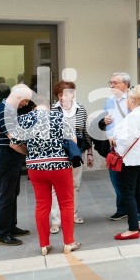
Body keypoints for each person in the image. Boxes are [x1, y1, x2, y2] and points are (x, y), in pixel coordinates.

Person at [9, 94, 81, 256]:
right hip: (60, 166)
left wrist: (30, 153)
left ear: (34, 107)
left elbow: (13, 144)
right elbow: (73, 141)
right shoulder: (59, 117)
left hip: (36, 168)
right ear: (48, 106)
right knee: (66, 203)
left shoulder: (25, 119)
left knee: (42, 205)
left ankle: (44, 245)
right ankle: (69, 242)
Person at [49, 81, 93, 234]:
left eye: (66, 93)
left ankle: (73, 214)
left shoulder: (81, 110)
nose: (63, 97)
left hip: (76, 152)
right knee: (56, 188)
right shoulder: (52, 110)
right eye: (60, 94)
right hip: (58, 153)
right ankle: (56, 220)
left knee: (75, 184)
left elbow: (86, 133)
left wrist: (89, 153)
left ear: (73, 93)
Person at [0, 84, 34, 246]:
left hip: (11, 157)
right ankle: (3, 234)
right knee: (7, 196)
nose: (26, 104)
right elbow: (13, 140)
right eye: (25, 101)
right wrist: (30, 153)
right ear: (18, 97)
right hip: (7, 156)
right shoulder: (5, 111)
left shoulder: (7, 108)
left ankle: (11, 226)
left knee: (13, 193)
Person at [113, 85, 140, 241]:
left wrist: (114, 143)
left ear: (132, 100)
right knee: (139, 191)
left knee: (128, 193)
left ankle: (132, 228)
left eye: (128, 98)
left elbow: (124, 140)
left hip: (131, 160)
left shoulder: (132, 117)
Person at [102, 72, 131, 220]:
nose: (112, 85)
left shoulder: (132, 100)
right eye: (111, 82)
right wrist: (103, 121)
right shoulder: (109, 100)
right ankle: (122, 208)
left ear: (125, 85)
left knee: (129, 179)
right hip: (113, 147)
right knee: (115, 179)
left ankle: (132, 209)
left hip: (129, 146)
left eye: (115, 82)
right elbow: (104, 121)